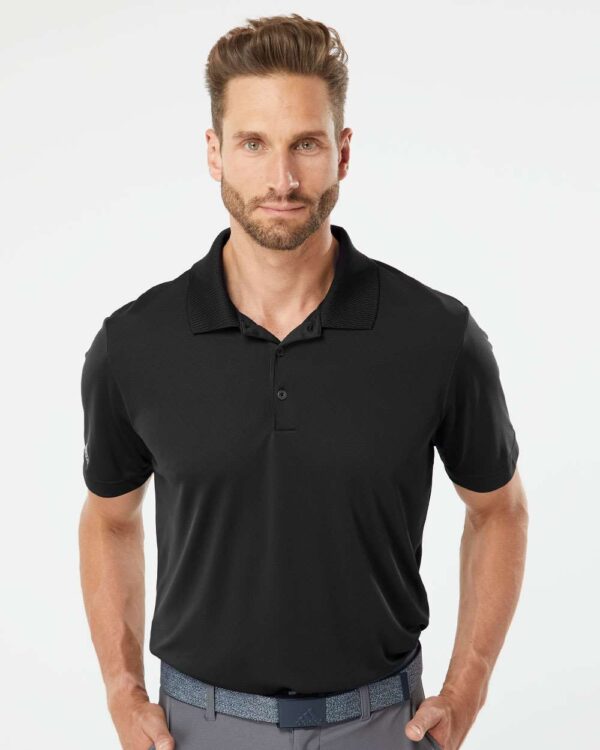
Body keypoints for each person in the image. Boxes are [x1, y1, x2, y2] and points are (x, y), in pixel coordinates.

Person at [78, 13, 528, 750]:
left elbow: (499, 510)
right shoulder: (135, 345)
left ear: (342, 152)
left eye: (306, 145)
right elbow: (108, 518)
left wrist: (468, 686)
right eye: (254, 144)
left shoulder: (437, 337)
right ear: (215, 152)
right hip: (197, 729)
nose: (282, 180)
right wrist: (123, 692)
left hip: (382, 725)